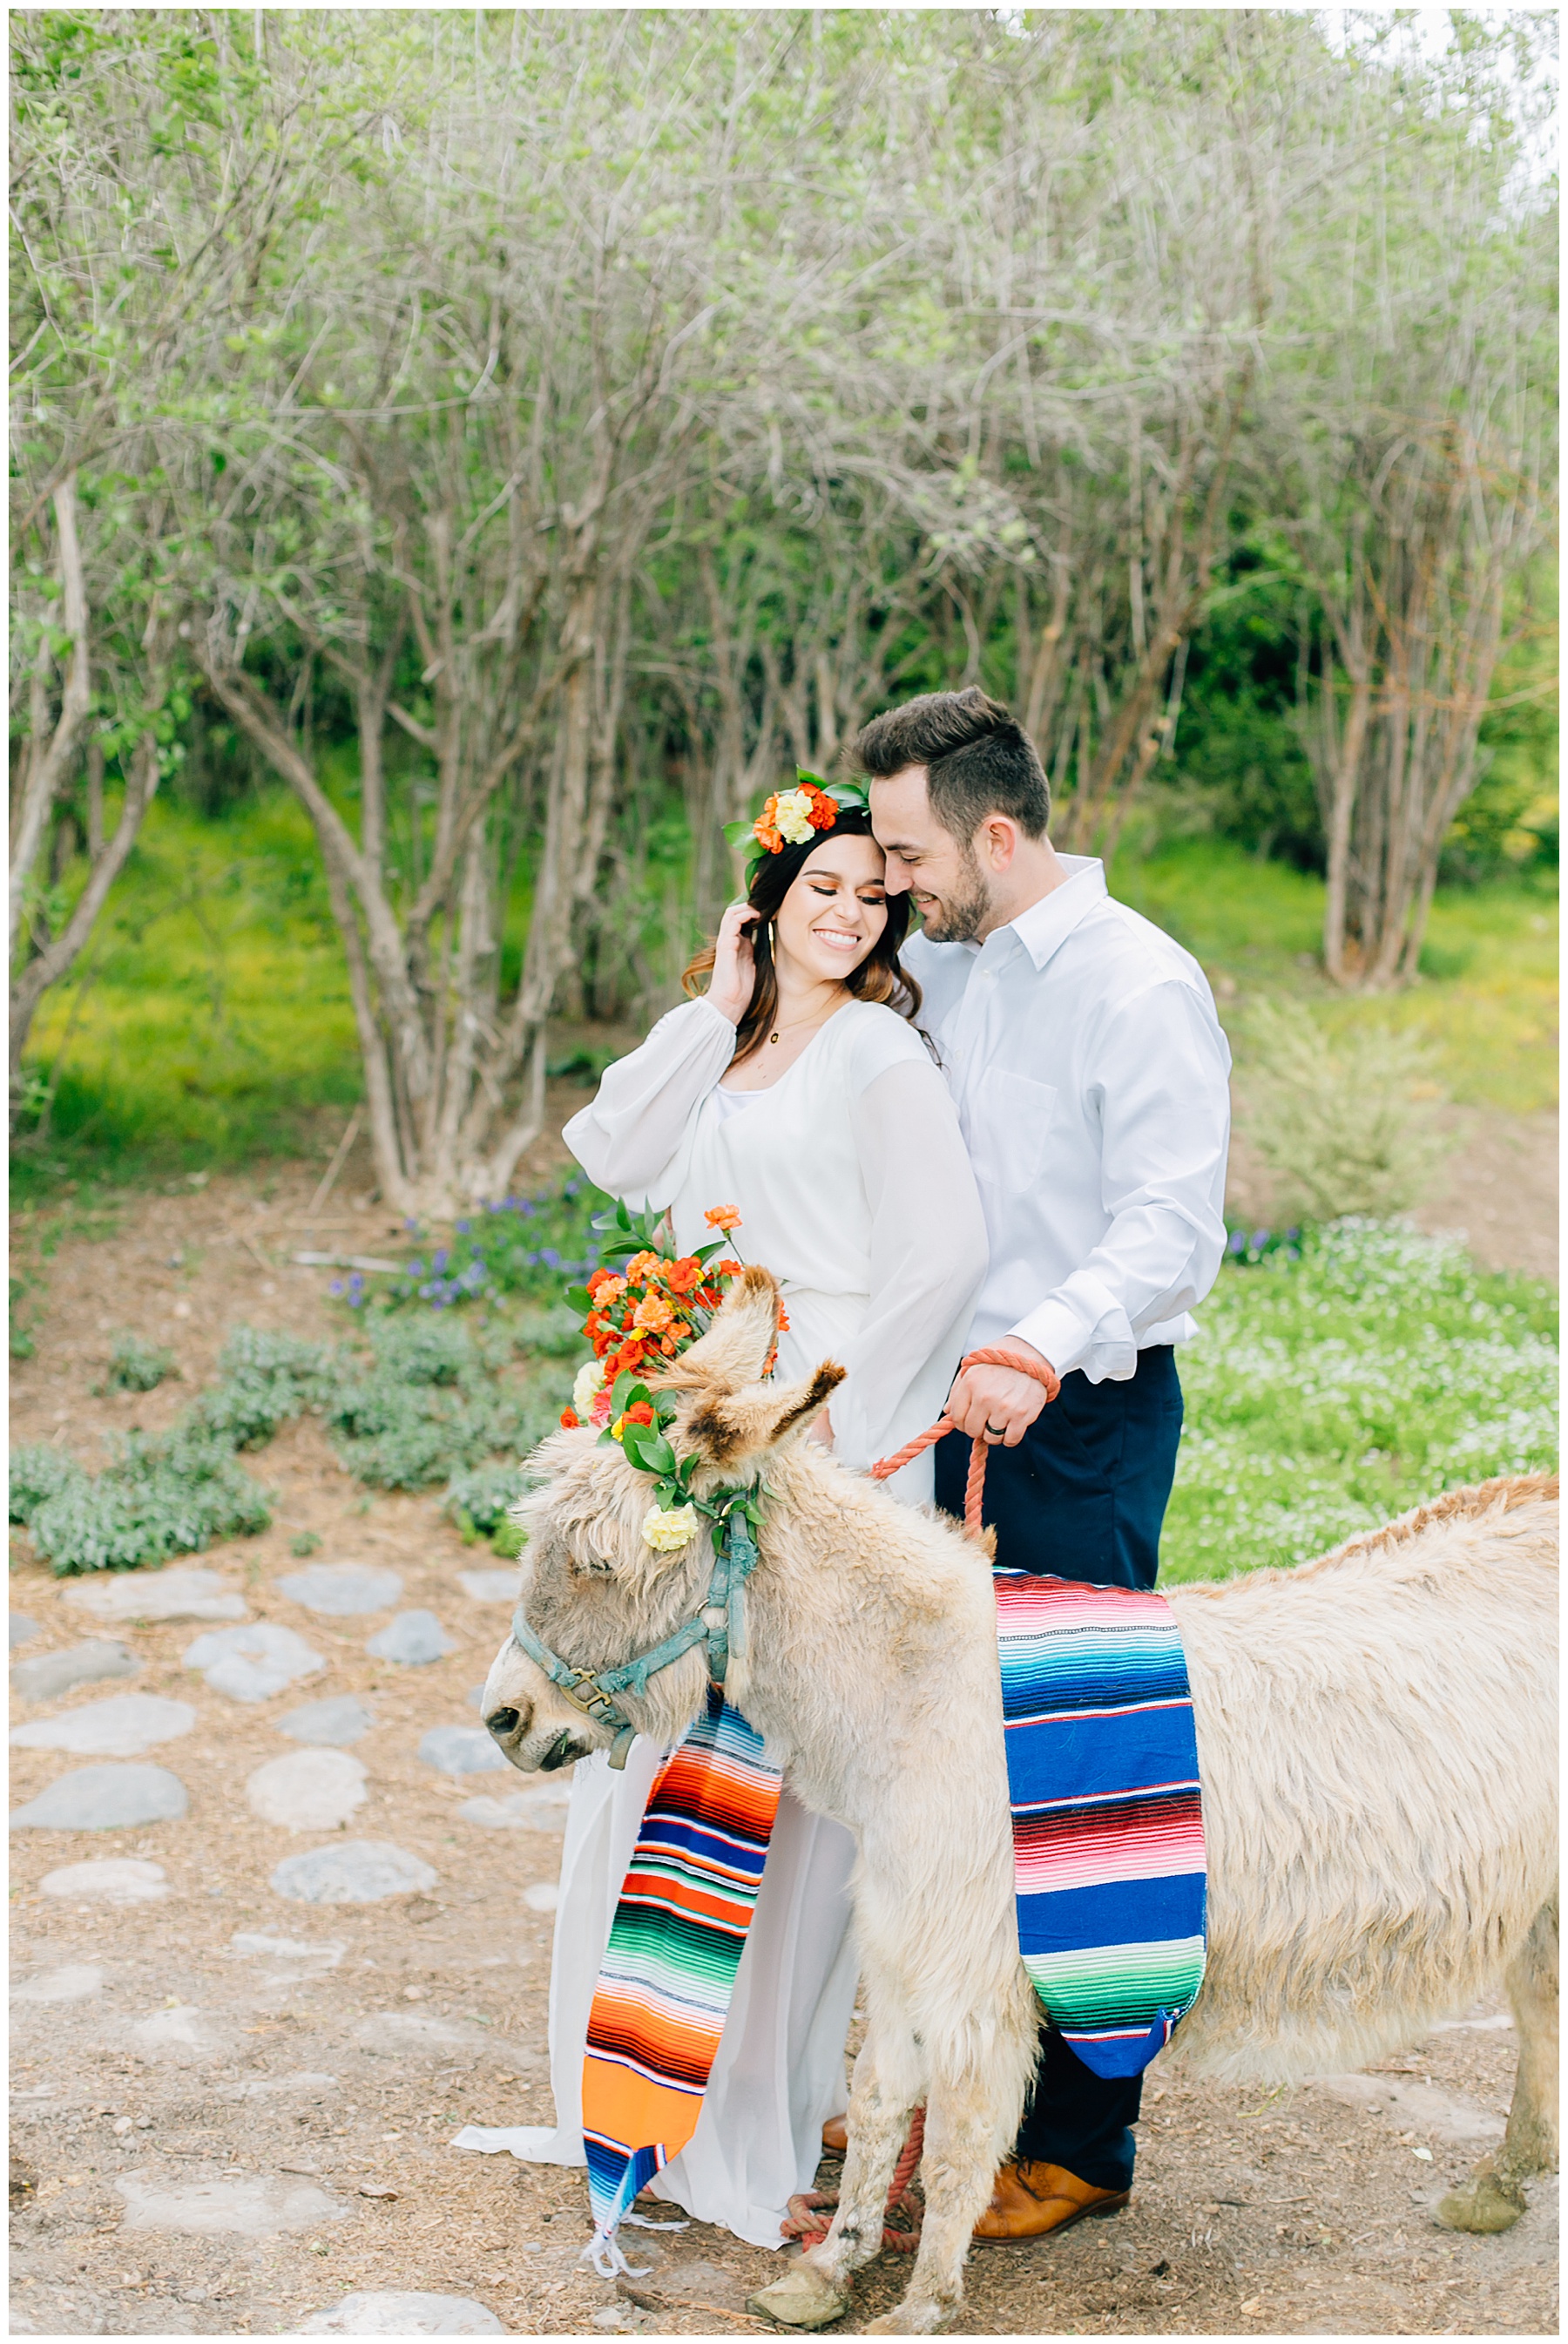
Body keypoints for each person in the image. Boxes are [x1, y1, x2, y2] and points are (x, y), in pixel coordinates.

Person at [501, 788, 989, 2250]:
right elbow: (615, 1152)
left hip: (803, 1441)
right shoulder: (730, 1040)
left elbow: (945, 1250)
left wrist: (831, 1414)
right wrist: (718, 1005)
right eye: (819, 887)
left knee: (772, 1791)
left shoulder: (879, 1055)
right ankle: (628, 2093)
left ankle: (748, 2123)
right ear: (766, 897)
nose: (849, 913)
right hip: (689, 1422)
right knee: (642, 1759)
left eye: (871, 895)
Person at [857, 684, 1232, 2243]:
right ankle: (960, 2093)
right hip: (955, 1414)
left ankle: (1082, 2145)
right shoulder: (952, 965)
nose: (891, 880)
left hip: (1077, 1418)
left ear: (995, 834)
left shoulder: (1139, 986)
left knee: (1075, 1776)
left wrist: (1038, 1342)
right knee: (952, 1773)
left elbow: (1169, 1227)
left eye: (903, 848)